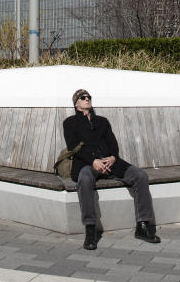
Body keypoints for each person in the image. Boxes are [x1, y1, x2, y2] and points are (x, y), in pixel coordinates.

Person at [63, 89, 159, 250]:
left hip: (110, 161)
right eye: (83, 97)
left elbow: (112, 143)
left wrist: (114, 156)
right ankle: (90, 229)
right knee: (85, 178)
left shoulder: (102, 121)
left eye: (89, 97)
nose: (87, 99)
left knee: (140, 175)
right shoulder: (70, 123)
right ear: (76, 103)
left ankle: (143, 225)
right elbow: (73, 147)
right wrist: (93, 161)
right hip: (88, 163)